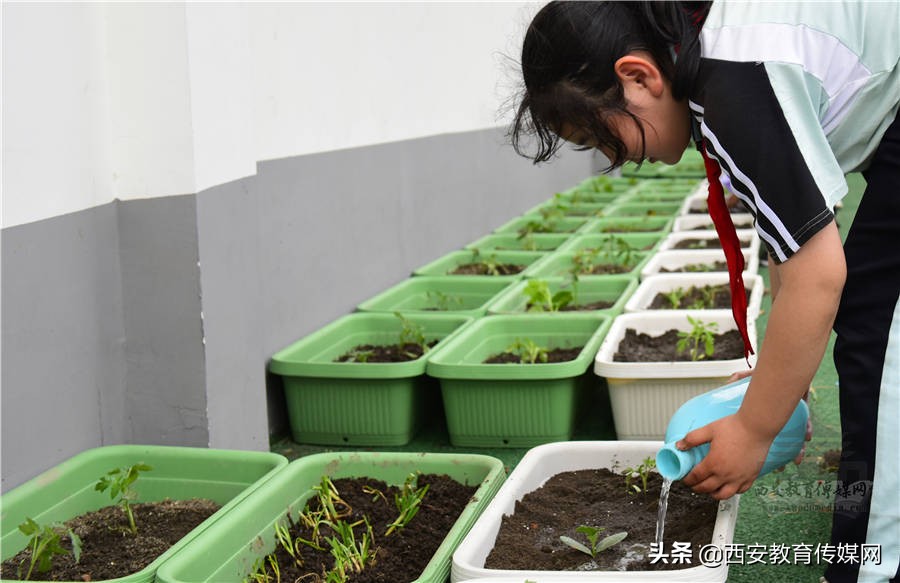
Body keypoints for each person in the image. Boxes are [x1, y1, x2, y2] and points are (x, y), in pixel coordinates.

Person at [509, 3, 900, 583]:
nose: (613, 158)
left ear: (638, 76)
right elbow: (794, 240)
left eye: (599, 133)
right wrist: (775, 383)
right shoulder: (715, 57)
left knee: (881, 340)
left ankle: (875, 566)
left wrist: (754, 430)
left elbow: (817, 275)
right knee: (872, 307)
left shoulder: (733, 81)